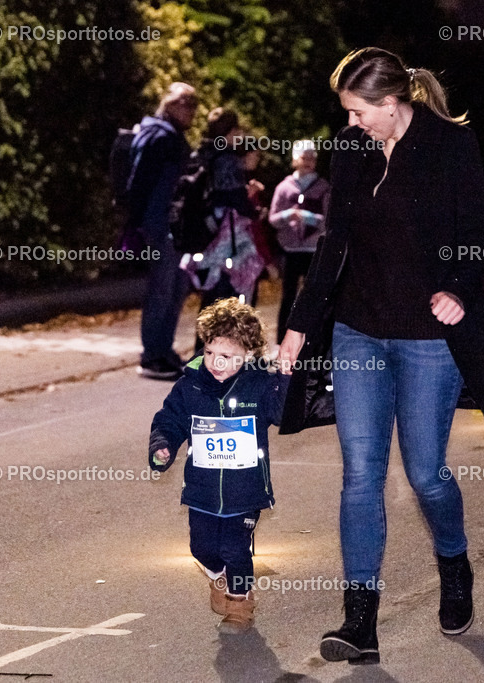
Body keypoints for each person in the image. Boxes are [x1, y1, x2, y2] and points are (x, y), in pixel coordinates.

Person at [277, 48, 484, 665]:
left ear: (393, 106)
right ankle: (359, 621)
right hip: (359, 330)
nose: (352, 124)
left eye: (361, 112)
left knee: (424, 473)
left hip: (427, 339)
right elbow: (334, 243)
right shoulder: (353, 148)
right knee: (361, 473)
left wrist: (457, 290)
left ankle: (454, 561)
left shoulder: (451, 145)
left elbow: (476, 237)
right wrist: (298, 328)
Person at [148, 298, 289, 634]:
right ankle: (217, 577)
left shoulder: (259, 383)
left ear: (247, 354)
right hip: (202, 489)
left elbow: (283, 413)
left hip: (245, 490)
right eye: (210, 352)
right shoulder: (191, 384)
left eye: (226, 356)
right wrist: (162, 446)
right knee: (202, 547)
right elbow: (169, 420)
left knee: (234, 547)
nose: (215, 362)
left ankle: (241, 603)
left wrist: (285, 377)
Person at [127, 83, 199, 380]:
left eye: (194, 105)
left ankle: (163, 350)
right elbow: (139, 182)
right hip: (160, 225)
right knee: (162, 288)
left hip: (172, 225)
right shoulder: (159, 137)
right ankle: (152, 355)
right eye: (187, 104)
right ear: (170, 104)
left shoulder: (171, 137)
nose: (192, 111)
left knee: (175, 287)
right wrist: (139, 223)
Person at [182, 109, 267, 343]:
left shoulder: (202, 153)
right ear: (231, 131)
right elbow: (234, 198)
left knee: (210, 300)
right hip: (225, 239)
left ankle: (201, 354)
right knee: (225, 298)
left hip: (206, 233)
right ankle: (213, 357)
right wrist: (255, 212)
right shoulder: (227, 159)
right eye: (237, 130)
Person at [269, 141, 331, 343]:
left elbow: (329, 221)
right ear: (295, 159)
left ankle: (313, 337)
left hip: (313, 250)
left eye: (312, 157)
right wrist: (288, 215)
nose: (308, 162)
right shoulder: (284, 187)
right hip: (290, 250)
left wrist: (310, 218)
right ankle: (282, 338)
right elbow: (273, 219)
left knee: (313, 295)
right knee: (288, 295)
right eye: (304, 157)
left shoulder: (323, 188)